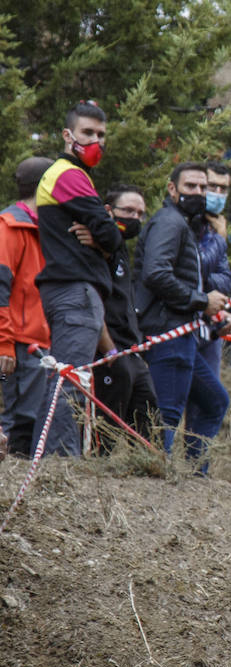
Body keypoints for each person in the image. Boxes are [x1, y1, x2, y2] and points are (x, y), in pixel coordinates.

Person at [35, 102, 125, 457]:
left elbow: (105, 232)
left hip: (67, 289)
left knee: (61, 378)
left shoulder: (70, 175)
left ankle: (50, 457)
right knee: (70, 380)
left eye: (101, 135)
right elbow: (112, 234)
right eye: (88, 133)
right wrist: (106, 236)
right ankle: (62, 461)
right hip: (74, 289)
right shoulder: (68, 174)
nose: (96, 142)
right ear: (67, 135)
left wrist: (103, 234)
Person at [135, 162, 231, 472]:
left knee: (214, 400)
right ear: (172, 189)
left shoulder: (182, 222)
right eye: (191, 186)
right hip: (167, 330)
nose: (199, 193)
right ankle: (153, 475)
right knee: (168, 414)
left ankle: (195, 474)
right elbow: (155, 274)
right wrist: (201, 301)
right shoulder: (169, 222)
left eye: (203, 187)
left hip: (184, 330)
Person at [90, 184, 159, 449]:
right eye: (128, 211)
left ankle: (147, 471)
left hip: (132, 350)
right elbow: (93, 303)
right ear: (108, 211)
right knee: (103, 431)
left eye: (140, 214)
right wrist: (109, 352)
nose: (134, 219)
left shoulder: (120, 250)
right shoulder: (96, 247)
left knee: (148, 417)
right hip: (108, 351)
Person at [0, 157, 54, 457]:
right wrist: (4, 344)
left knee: (31, 420)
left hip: (38, 344)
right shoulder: (9, 227)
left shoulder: (41, 227)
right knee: (14, 419)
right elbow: (0, 290)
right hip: (16, 347)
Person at [196, 163, 231, 380]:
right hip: (184, 325)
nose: (218, 194)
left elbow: (225, 280)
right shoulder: (188, 223)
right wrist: (221, 238)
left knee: (211, 404)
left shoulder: (216, 224)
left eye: (224, 189)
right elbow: (195, 270)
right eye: (213, 187)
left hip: (210, 324)